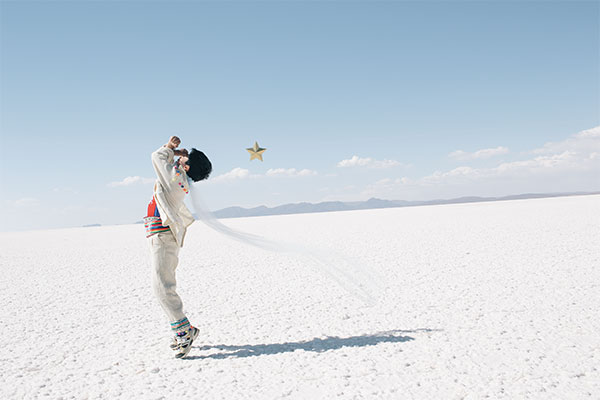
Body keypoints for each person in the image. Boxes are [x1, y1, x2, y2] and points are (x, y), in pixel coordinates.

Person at [144, 136, 212, 358]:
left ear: (188, 166)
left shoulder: (176, 179)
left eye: (185, 159)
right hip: (162, 236)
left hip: (163, 237)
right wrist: (180, 156)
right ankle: (182, 330)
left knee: (162, 287)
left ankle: (184, 331)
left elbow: (156, 157)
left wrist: (171, 148)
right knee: (161, 285)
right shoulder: (180, 179)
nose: (180, 159)